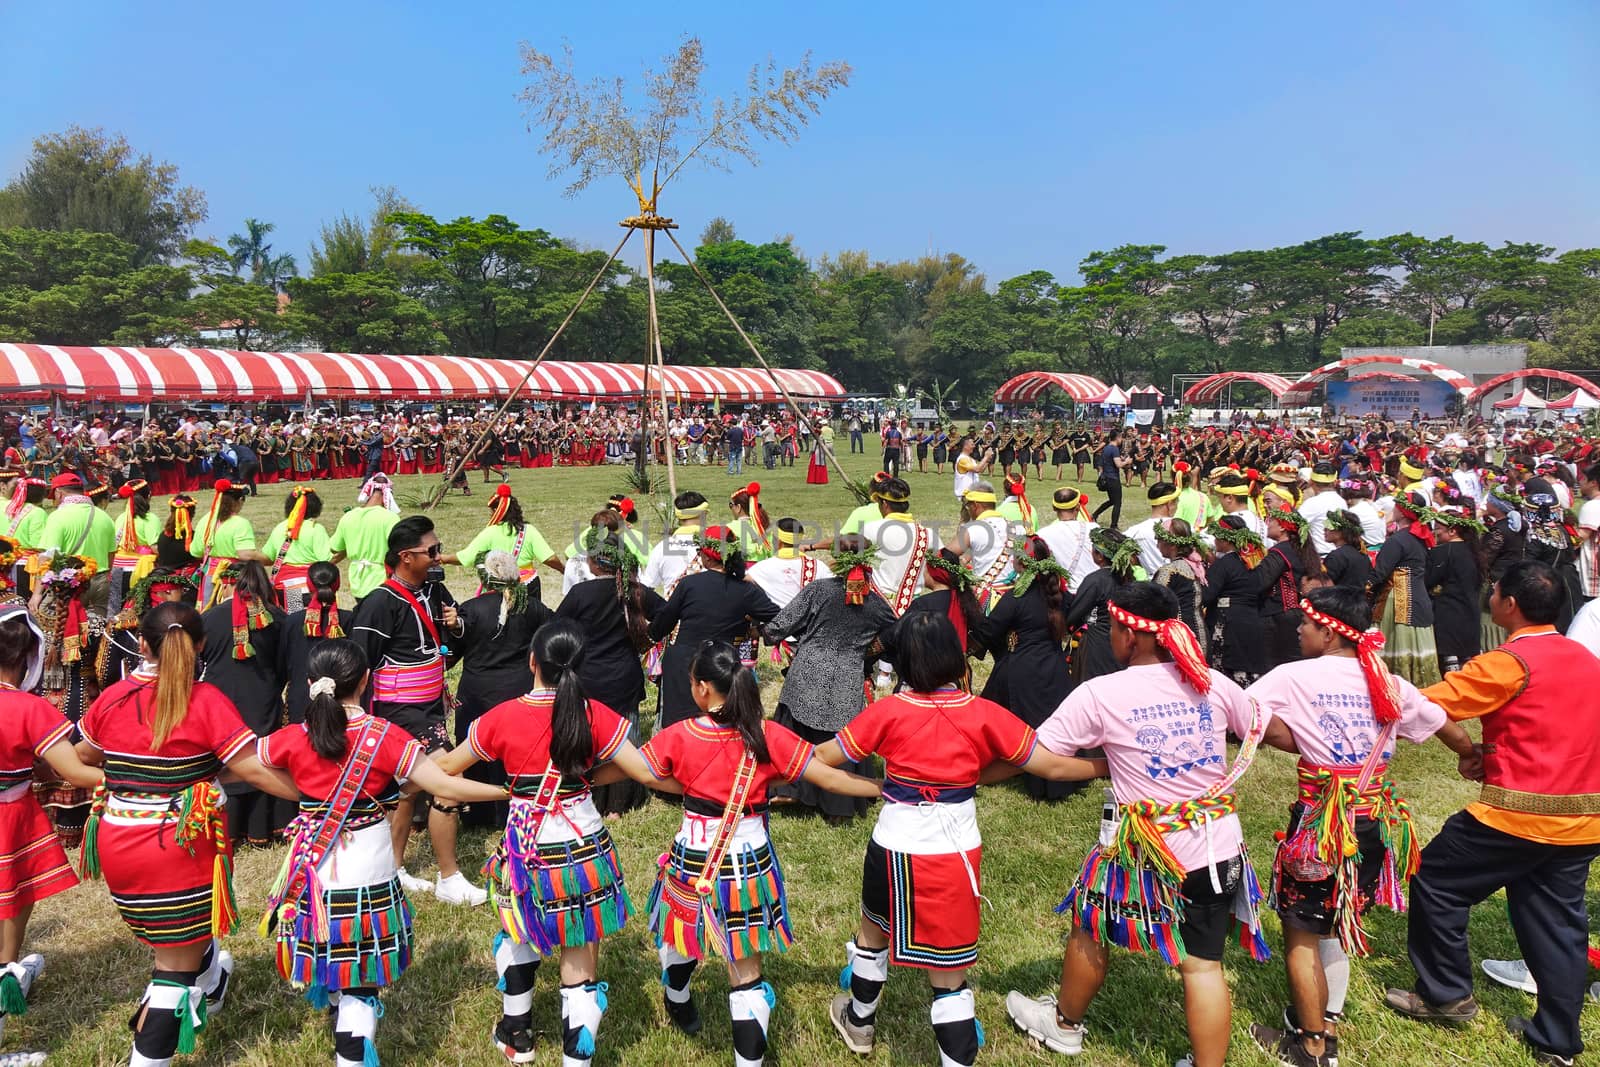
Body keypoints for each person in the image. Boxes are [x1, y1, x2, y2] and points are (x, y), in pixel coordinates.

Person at [1008, 582, 1269, 1067]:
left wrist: (1101, 766)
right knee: (1203, 965)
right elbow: (1257, 723)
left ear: (1130, 634)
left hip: (1143, 852)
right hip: (1218, 847)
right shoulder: (1210, 681)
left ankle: (1064, 1025)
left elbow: (1040, 758)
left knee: (1090, 927)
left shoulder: (1102, 693)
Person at [826, 612, 1103, 1065]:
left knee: (872, 933)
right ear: (955, 657)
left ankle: (859, 1021)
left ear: (906, 661)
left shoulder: (888, 710)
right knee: (949, 975)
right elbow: (1050, 764)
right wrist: (1104, 765)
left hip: (894, 842)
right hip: (952, 851)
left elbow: (825, 756)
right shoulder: (982, 713)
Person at [1245, 587, 1474, 1067]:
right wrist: (1472, 757)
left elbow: (1243, 717)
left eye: (1305, 625)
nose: (1299, 631)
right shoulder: (1385, 680)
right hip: (1372, 823)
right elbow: (1443, 724)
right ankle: (1325, 1017)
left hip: (1320, 826)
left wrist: (1299, 743)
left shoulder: (1293, 676)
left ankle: (1311, 1047)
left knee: (1301, 934)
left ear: (1328, 631)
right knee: (1335, 920)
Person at [1383, 561, 1600, 1065]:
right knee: (1558, 922)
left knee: (1437, 880)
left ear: (1510, 605)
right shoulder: (1586, 659)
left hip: (1516, 817)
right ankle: (1557, 1041)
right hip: (1585, 819)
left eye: (1496, 590)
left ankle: (1445, 994)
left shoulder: (1507, 662)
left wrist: (1463, 746)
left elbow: (1421, 705)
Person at [257, 639, 505, 1067]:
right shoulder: (384, 736)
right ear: (367, 681)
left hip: (314, 871)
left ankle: (337, 1007)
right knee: (360, 976)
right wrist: (507, 790)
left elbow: (250, 764)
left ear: (312, 683)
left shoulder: (296, 736)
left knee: (328, 945)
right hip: (368, 868)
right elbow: (444, 785)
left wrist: (306, 794)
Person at [637, 640, 881, 1066]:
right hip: (749, 859)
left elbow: (644, 771)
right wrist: (882, 789)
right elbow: (828, 778)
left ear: (701, 689)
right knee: (745, 968)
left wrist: (684, 788)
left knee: (682, 933)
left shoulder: (680, 735)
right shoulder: (769, 737)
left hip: (693, 851)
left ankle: (677, 997)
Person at [433, 620, 665, 1067]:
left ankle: (517, 1035)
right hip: (584, 846)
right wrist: (594, 777)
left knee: (518, 929)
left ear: (532, 661)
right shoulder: (595, 714)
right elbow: (645, 769)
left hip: (526, 845)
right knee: (578, 944)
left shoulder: (500, 717)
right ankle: (575, 1058)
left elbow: (447, 768)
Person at [77, 601, 298, 1067]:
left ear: (142, 645)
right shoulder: (206, 701)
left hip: (117, 840)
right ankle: (148, 1056)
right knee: (170, 972)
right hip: (176, 846)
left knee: (178, 936)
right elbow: (253, 770)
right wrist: (320, 795)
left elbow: (85, 754)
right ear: (200, 645)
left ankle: (212, 984)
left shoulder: (114, 696)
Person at [350, 516, 483, 905]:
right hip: (400, 711)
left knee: (407, 789)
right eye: (432, 550)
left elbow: (453, 636)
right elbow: (359, 664)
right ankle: (449, 877)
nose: (440, 555)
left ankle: (391, 869)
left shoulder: (435, 589)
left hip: (430, 705)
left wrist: (457, 625)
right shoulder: (379, 604)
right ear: (405, 557)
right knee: (448, 779)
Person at [0, 602, 102, 1058]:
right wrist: (142, 773)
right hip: (9, 819)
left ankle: (9, 973)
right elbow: (76, 772)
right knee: (12, 898)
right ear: (26, 657)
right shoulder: (28, 708)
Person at [763, 535, 896, 819]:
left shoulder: (819, 590)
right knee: (842, 742)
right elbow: (896, 632)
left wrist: (767, 633)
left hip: (807, 672)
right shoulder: (874, 602)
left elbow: (778, 628)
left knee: (795, 734)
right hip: (847, 677)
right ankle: (839, 803)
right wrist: (870, 650)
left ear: (836, 561)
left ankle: (789, 790)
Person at [556, 532, 664, 817]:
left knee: (589, 738)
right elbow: (667, 612)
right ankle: (620, 804)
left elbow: (557, 627)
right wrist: (649, 637)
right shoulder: (635, 591)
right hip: (624, 677)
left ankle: (590, 798)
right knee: (625, 741)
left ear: (592, 562)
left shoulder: (580, 594)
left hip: (588, 677)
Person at [451, 551, 554, 830]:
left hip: (477, 693)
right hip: (519, 690)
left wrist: (442, 648)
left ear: (484, 577)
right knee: (516, 751)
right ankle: (517, 806)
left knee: (475, 749)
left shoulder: (470, 609)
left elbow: (450, 654)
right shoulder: (533, 607)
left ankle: (478, 816)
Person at [647, 526, 779, 730]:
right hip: (721, 665)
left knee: (679, 728)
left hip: (683, 664)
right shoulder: (746, 590)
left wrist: (651, 633)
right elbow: (780, 617)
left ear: (707, 558)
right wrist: (758, 630)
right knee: (719, 728)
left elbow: (661, 626)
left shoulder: (689, 584)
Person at [979, 535, 1078, 801]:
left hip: (1023, 669)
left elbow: (989, 630)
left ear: (1021, 564)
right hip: (1055, 669)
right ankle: (1058, 780)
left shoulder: (1016, 597)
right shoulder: (1059, 595)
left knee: (1011, 722)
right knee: (1053, 726)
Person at [198, 561, 288, 847]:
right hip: (262, 698)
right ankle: (261, 830)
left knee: (226, 757)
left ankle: (230, 830)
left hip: (220, 700)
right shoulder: (277, 618)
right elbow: (284, 664)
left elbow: (200, 660)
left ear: (229, 584)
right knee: (261, 757)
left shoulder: (209, 618)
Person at [1372, 493, 1441, 688]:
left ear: (1402, 513)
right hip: (1419, 597)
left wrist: (1364, 588)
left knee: (1397, 641)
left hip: (1399, 600)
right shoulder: (1421, 539)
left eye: (1395, 507)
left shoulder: (1398, 540)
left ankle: (1395, 684)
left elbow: (1380, 573)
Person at [278, 561, 352, 729]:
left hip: (300, 699)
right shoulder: (349, 619)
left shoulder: (292, 621)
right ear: (338, 585)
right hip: (339, 700)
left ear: (308, 584)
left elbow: (282, 666)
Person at [444, 484, 564, 587]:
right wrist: (563, 570)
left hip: (499, 585)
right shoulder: (529, 530)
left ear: (498, 511)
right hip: (527, 584)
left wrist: (442, 558)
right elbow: (550, 558)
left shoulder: (490, 533)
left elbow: (467, 557)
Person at [1065, 527, 1140, 682]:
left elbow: (1073, 615)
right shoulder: (1129, 578)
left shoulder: (1096, 580)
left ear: (1099, 556)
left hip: (1097, 647)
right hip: (1124, 643)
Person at [859, 478, 936, 617]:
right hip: (914, 610)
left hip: (878, 609)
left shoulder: (870, 529)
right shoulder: (927, 534)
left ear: (885, 504)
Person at [1258, 504, 1321, 669]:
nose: (1267, 523)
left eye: (1271, 519)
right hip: (1298, 613)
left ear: (1282, 526)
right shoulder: (1300, 549)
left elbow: (1259, 582)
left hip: (1278, 615)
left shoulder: (1279, 552)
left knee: (1279, 665)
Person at [1428, 508, 1484, 674]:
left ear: (1452, 531)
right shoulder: (1474, 551)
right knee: (1467, 667)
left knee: (1450, 666)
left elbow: (1429, 580)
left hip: (1449, 614)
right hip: (1470, 613)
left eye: (1438, 528)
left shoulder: (1443, 552)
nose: (1435, 533)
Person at [329, 474, 401, 602]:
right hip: (382, 579)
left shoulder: (348, 517)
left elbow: (334, 548)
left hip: (357, 580)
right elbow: (399, 548)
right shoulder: (390, 518)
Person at [263, 486, 332, 613]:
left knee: (291, 622)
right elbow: (327, 560)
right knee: (302, 623)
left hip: (281, 585)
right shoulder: (315, 529)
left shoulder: (280, 527)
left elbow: (268, 556)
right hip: (305, 585)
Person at [1151, 519, 1209, 660]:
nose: (1157, 545)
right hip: (1201, 634)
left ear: (1171, 545)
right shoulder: (1197, 566)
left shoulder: (1169, 571)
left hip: (1183, 638)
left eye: (1159, 540)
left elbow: (1154, 604)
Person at [953, 483, 1014, 609]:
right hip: (1014, 596)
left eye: (968, 505)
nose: (967, 509)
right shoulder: (1015, 526)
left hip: (987, 600)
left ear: (975, 505)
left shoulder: (972, 529)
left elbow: (945, 556)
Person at [1036, 487, 1099, 593]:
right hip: (1095, 592)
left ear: (1054, 508)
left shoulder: (1042, 535)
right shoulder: (1094, 529)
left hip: (1065, 594)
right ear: (1078, 507)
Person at [1125, 481, 1180, 579]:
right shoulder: (1181, 528)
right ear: (1169, 503)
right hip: (1177, 584)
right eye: (1176, 502)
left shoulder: (1134, 532)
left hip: (1149, 584)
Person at [1322, 510, 1372, 592]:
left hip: (1340, 603)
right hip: (1360, 603)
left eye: (1329, 526)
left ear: (1342, 532)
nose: (1324, 529)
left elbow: (1325, 587)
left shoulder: (1337, 556)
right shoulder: (1363, 555)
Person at [1091, 431, 1129, 529]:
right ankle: (1114, 525)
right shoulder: (1114, 449)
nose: (1121, 440)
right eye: (1121, 437)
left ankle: (1095, 515)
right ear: (1117, 438)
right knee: (1117, 503)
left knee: (1112, 500)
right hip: (1113, 478)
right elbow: (1118, 465)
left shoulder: (1106, 448)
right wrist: (1127, 461)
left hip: (1106, 477)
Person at [727, 483, 772, 562]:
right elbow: (773, 555)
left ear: (738, 508)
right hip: (760, 570)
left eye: (731, 505)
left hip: (738, 572)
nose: (731, 508)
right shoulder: (764, 526)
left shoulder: (729, 528)